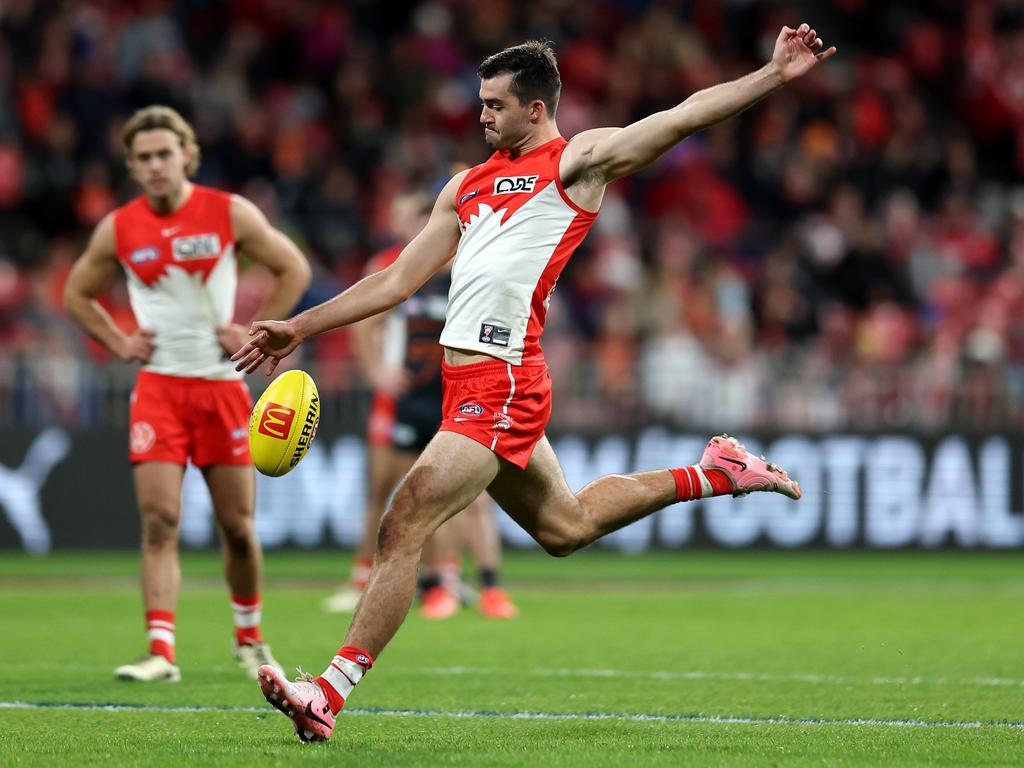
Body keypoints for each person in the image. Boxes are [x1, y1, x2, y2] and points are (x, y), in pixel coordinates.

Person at [233, 24, 833, 741]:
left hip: (506, 376)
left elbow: (682, 116)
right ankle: (715, 473)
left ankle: (327, 693)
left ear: (536, 109)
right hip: (466, 387)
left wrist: (771, 76)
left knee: (405, 522)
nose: (481, 115)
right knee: (564, 527)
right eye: (481, 103)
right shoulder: (466, 186)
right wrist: (300, 327)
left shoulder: (575, 163)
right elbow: (396, 279)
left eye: (493, 104)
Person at [63, 105, 311, 682]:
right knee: (159, 520)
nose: (154, 165)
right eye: (143, 157)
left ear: (186, 155)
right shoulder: (119, 227)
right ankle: (161, 651)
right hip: (158, 390)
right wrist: (118, 340)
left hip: (222, 387)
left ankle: (250, 640)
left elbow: (292, 269)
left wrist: (257, 328)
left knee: (237, 526)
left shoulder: (227, 212)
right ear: (131, 164)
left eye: (163, 154)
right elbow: (78, 295)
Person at [321, 190, 518, 620]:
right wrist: (376, 372)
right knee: (396, 491)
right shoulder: (395, 267)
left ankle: (478, 584)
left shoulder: (471, 264)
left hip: (462, 397)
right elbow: (365, 325)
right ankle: (403, 579)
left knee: (469, 497)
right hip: (406, 399)